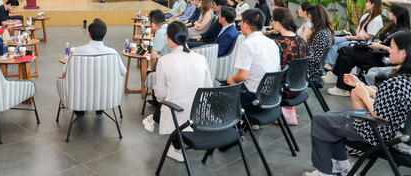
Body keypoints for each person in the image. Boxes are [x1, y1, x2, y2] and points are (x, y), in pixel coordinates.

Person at [304, 30, 411, 176]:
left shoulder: (396, 82)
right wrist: (360, 85)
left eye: (392, 47)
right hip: (398, 132)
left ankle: (325, 172)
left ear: (403, 53)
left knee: (320, 121)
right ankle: (342, 166)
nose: (389, 51)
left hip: (378, 132)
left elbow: (381, 119)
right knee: (331, 118)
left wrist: (365, 97)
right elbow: (389, 100)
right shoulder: (405, 80)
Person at [142, 21, 212, 163]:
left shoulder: (164, 61)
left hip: (178, 114)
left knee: (168, 102)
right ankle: (155, 123)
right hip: (199, 113)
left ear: (169, 39)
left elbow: (160, 95)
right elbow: (208, 88)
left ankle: (175, 147)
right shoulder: (201, 58)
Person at [328, 3, 410, 96]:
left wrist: (381, 46)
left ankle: (336, 77)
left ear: (396, 14)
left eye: (390, 11)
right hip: (376, 51)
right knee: (345, 58)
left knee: (345, 50)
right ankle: (343, 87)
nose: (388, 13)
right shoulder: (392, 27)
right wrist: (376, 44)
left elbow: (398, 50)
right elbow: (381, 39)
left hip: (383, 57)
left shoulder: (403, 33)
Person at [227, 9, 280, 109]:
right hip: (272, 96)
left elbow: (243, 76)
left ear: (245, 24)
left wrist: (232, 79)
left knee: (220, 93)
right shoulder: (272, 43)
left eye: (241, 22)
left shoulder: (247, 44)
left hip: (254, 98)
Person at [324, 0, 383, 79]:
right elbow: (358, 30)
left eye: (367, 2)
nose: (365, 4)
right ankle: (329, 66)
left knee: (337, 44)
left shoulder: (376, 20)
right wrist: (356, 36)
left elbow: (366, 38)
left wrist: (352, 37)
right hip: (355, 38)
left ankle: (331, 68)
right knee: (332, 40)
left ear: (373, 4)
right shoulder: (366, 16)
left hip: (361, 43)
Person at [62, 18, 126, 77]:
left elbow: (64, 74)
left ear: (88, 34)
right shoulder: (113, 53)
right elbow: (122, 72)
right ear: (105, 34)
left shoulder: (77, 51)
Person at [272, 7, 308, 98]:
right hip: (298, 86)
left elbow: (276, 71)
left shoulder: (278, 43)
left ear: (277, 23)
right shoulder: (301, 40)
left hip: (282, 89)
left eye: (272, 20)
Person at [306, 4, 335, 82]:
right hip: (314, 69)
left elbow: (315, 59)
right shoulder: (326, 31)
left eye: (311, 18)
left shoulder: (321, 34)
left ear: (316, 18)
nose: (310, 20)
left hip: (310, 70)